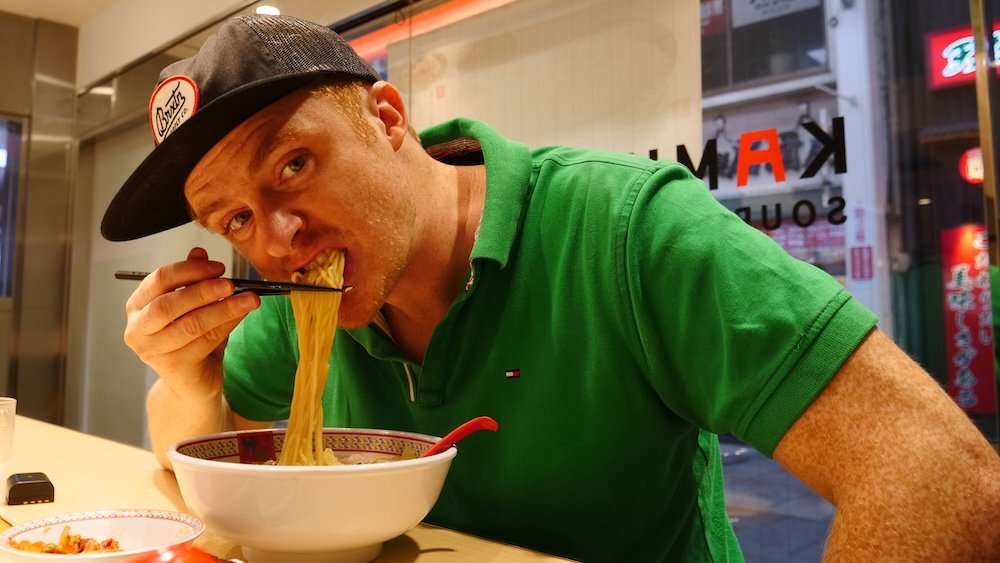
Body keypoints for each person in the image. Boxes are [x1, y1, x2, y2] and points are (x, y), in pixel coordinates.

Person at [102, 14, 1000, 563]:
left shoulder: (626, 230)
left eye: (293, 165)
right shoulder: (308, 309)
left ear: (385, 119)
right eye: (236, 221)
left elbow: (934, 473)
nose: (279, 239)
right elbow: (195, 462)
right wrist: (188, 380)